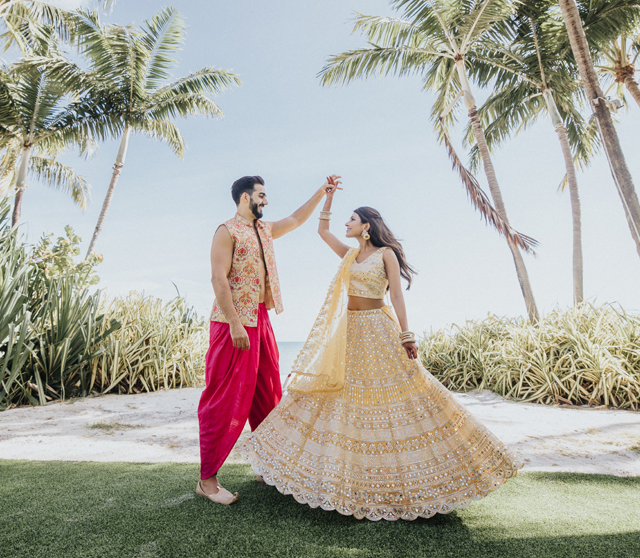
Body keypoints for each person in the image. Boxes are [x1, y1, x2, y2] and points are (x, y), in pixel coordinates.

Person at [243, 177, 522, 520]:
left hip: (379, 329)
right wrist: (326, 198)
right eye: (346, 219)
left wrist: (407, 335)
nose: (346, 224)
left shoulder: (386, 253)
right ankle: (339, 476)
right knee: (339, 397)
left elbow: (397, 295)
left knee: (406, 394)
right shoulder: (350, 255)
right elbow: (322, 232)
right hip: (349, 332)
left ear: (366, 226)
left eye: (352, 219)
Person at [196, 174, 340, 505]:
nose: (266, 200)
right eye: (261, 195)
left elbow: (296, 219)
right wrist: (234, 324)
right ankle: (207, 481)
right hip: (231, 322)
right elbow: (218, 279)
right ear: (245, 197)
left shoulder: (264, 230)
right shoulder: (226, 231)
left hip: (260, 318)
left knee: (267, 392)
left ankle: (266, 465)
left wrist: (321, 191)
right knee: (224, 396)